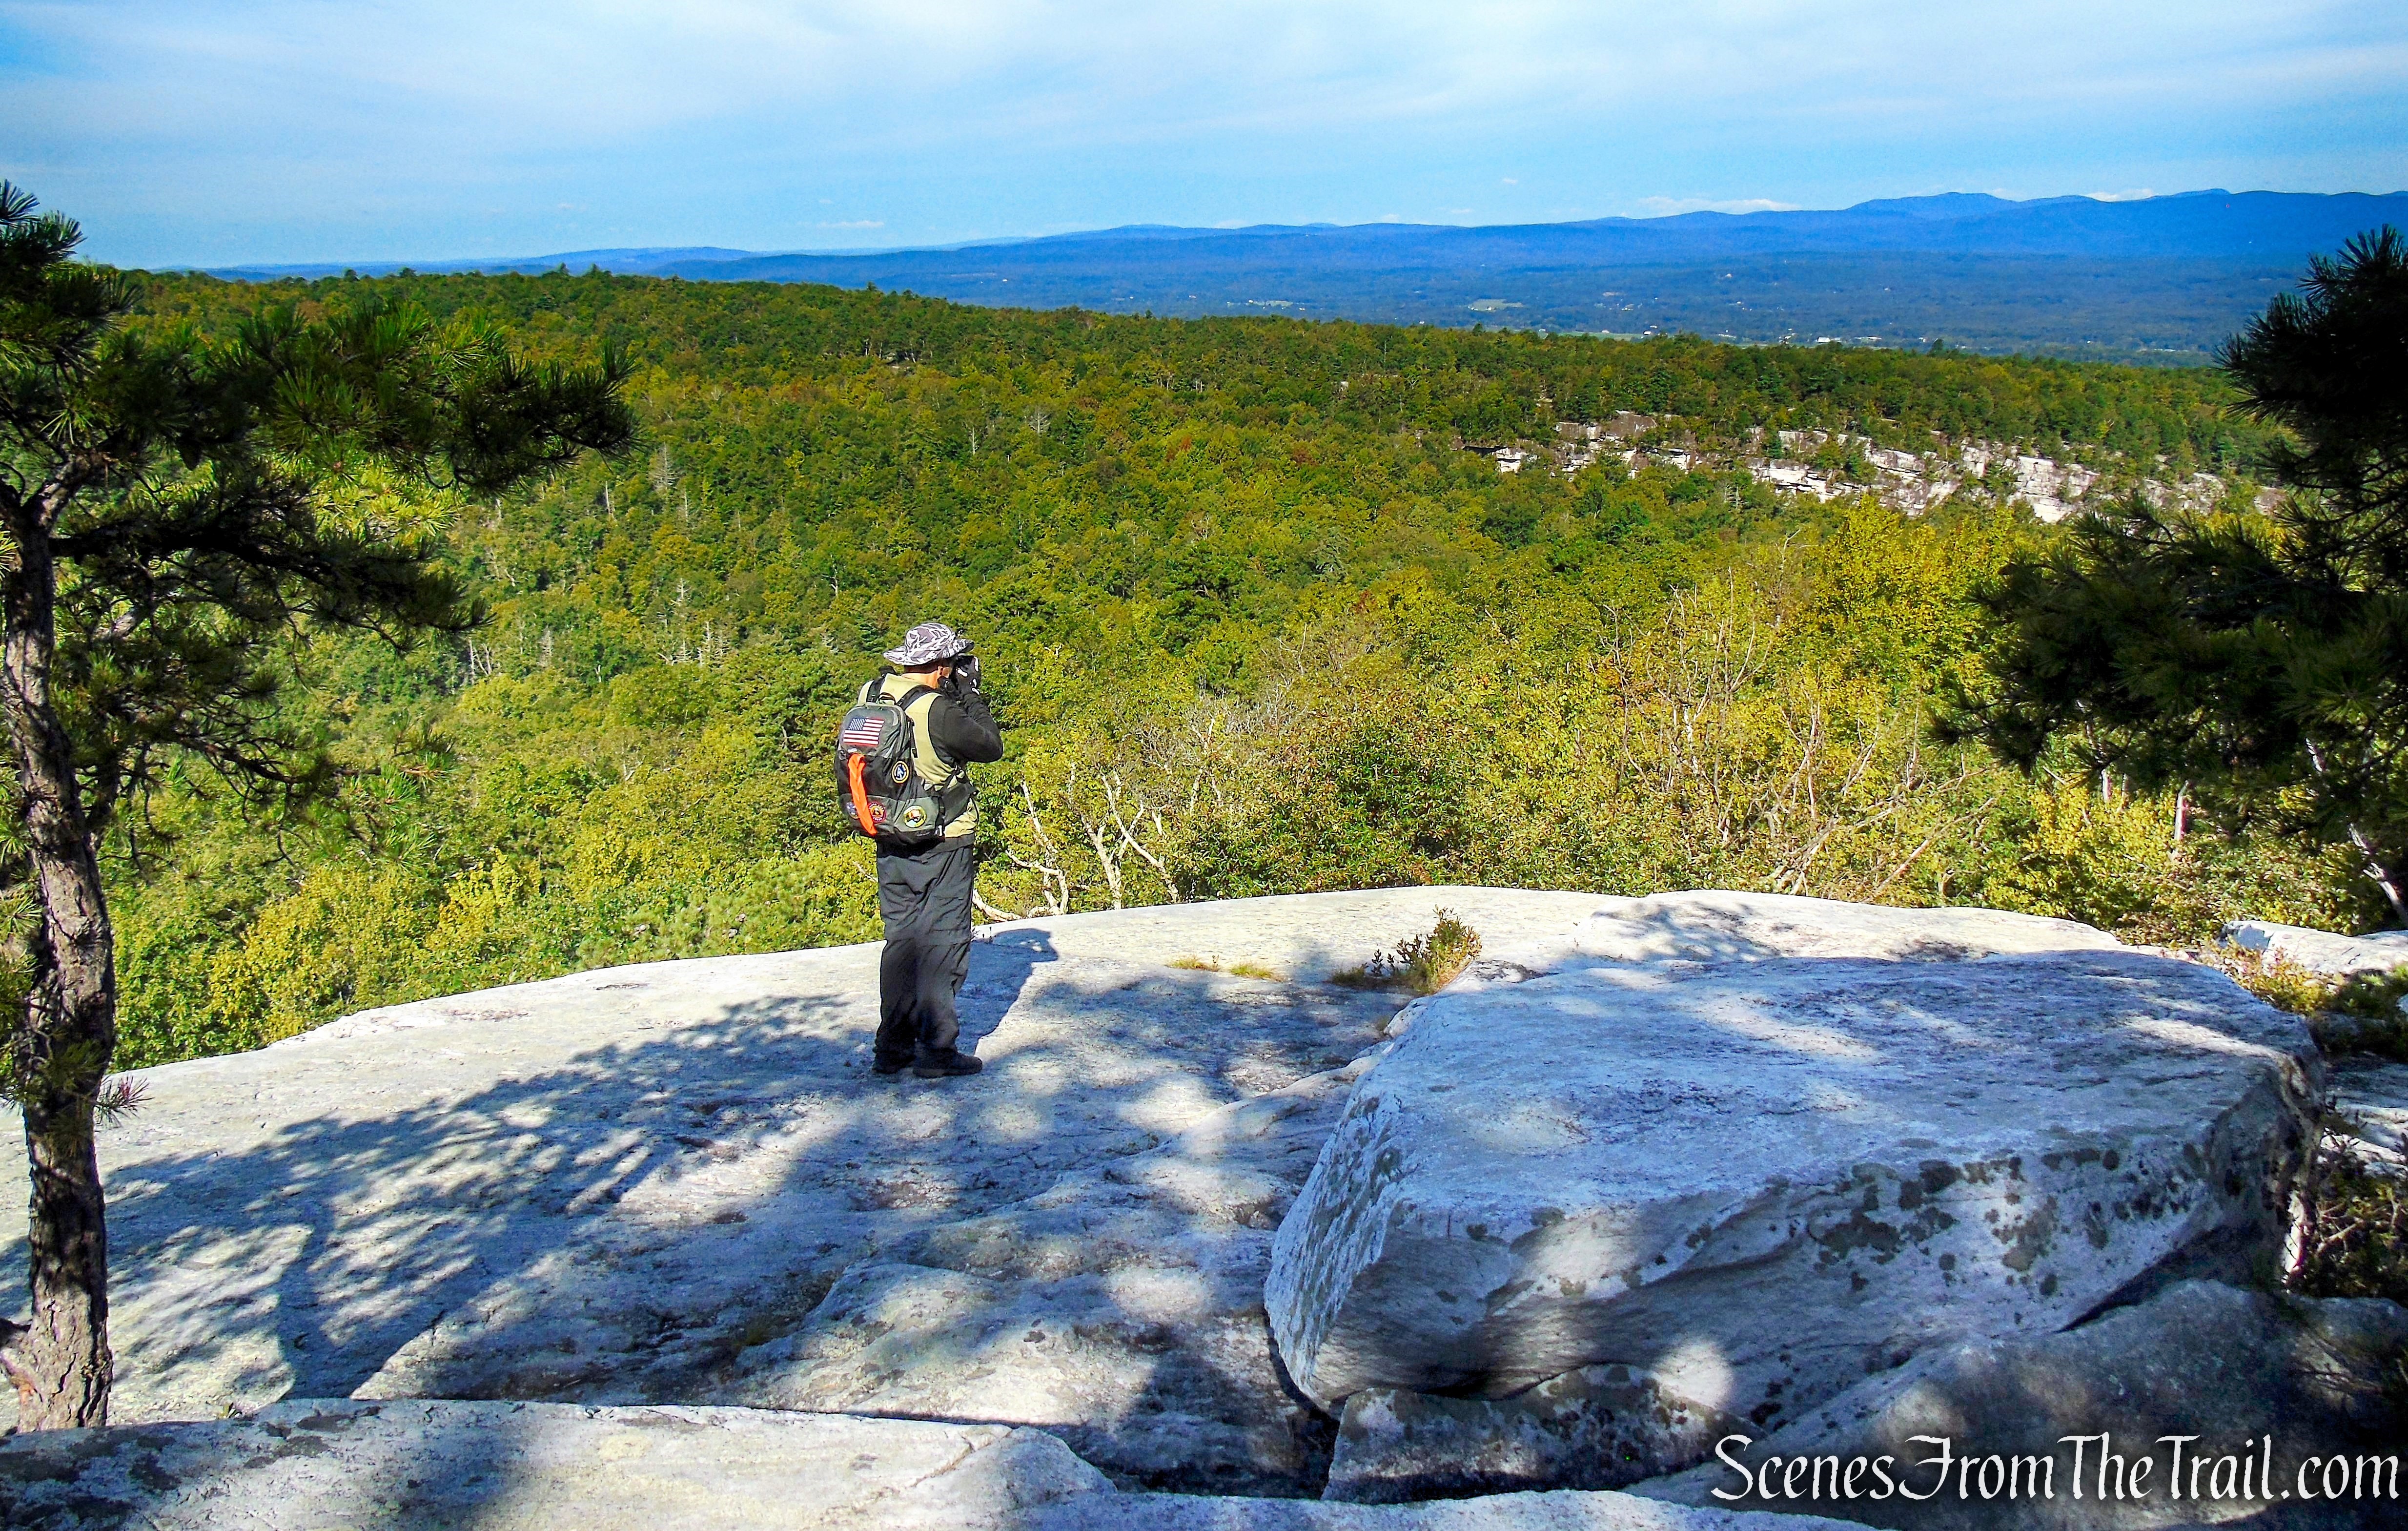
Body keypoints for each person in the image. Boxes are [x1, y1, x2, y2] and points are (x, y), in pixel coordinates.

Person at [867, 621, 1003, 1078]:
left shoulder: (871, 693)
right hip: (943, 837)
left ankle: (892, 1049)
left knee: (902, 941)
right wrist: (970, 693)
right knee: (942, 942)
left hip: (888, 833)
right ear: (941, 665)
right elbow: (989, 746)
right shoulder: (938, 709)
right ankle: (936, 1052)